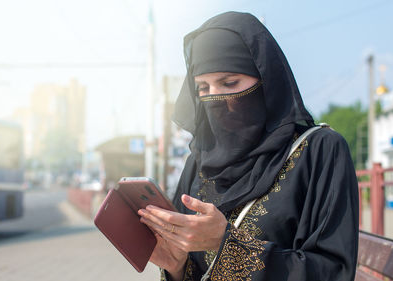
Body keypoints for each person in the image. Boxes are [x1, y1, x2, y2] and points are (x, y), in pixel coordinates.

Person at [137, 11, 359, 281]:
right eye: (203, 88)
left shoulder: (320, 151)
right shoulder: (200, 161)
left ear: (265, 80)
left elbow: (334, 271)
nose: (214, 98)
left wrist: (227, 245)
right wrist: (177, 267)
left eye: (229, 83)